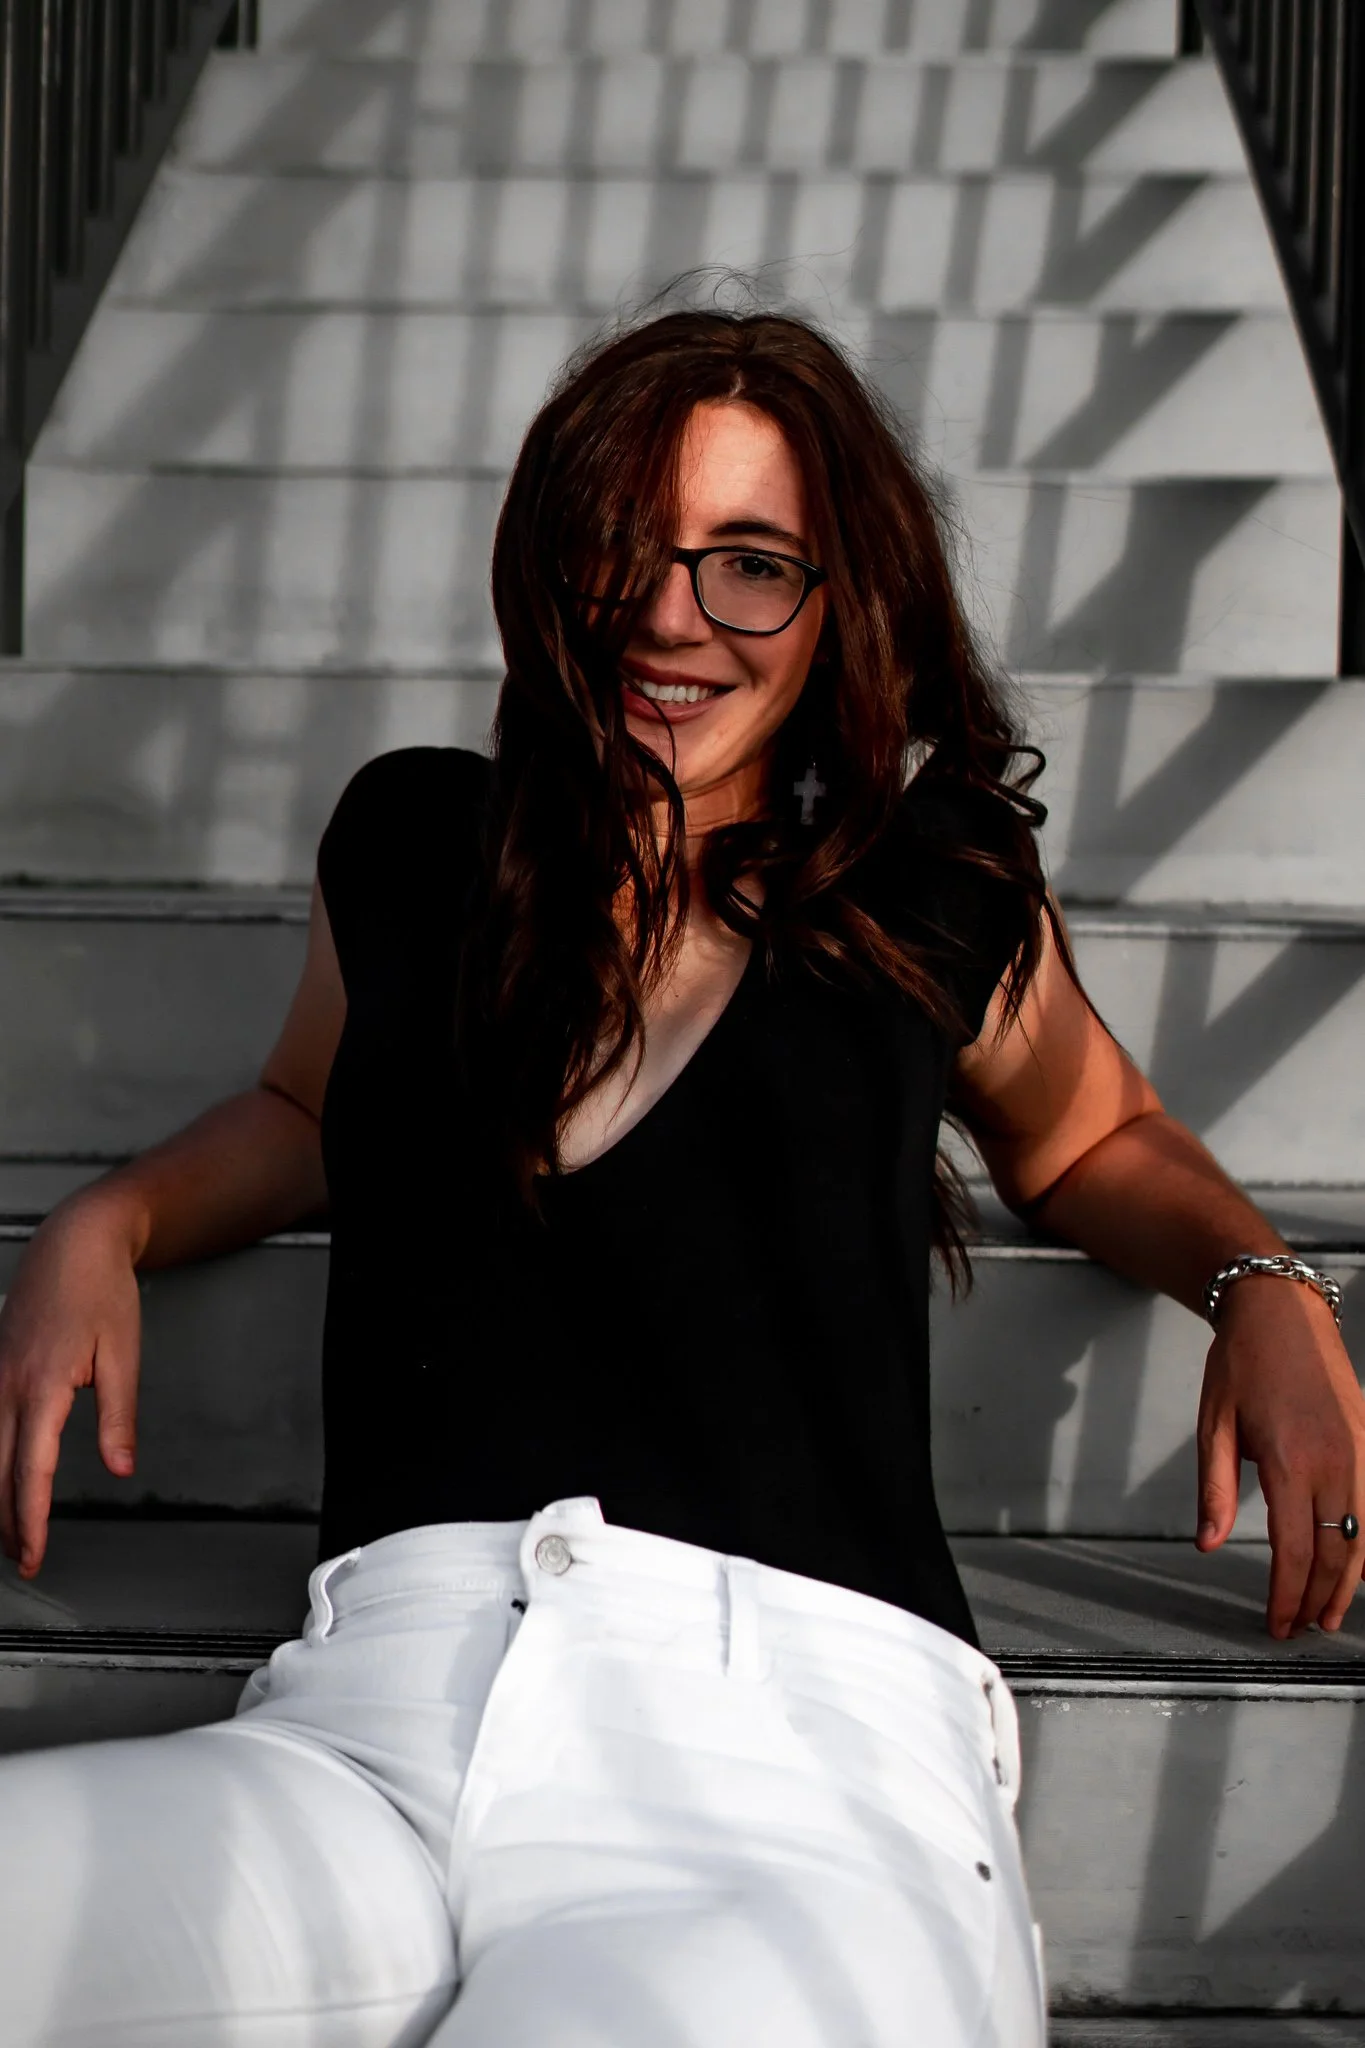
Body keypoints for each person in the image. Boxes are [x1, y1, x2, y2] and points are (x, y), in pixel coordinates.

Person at [0, 305, 1361, 2048]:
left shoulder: (922, 883)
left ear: (838, 598)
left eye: (752, 565)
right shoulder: (417, 840)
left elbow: (1093, 1133)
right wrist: (110, 1219)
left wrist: (1265, 1288)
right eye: (626, 549)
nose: (669, 616)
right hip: (371, 1734)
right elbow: (303, 1104)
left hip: (789, 1768)